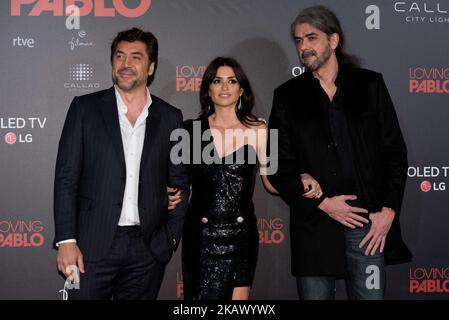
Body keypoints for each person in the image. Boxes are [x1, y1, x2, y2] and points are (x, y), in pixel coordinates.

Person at [268, 5, 412, 300]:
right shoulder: (287, 95)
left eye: (311, 38)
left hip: (368, 228)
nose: (304, 47)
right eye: (298, 40)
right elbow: (277, 165)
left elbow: (394, 151)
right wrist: (323, 203)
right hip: (315, 227)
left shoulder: (370, 85)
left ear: (333, 41)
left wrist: (388, 211)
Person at [168, 57, 322, 300]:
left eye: (232, 81)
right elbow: (177, 182)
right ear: (208, 89)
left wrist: (299, 177)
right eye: (217, 81)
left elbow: (271, 181)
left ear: (241, 89)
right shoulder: (190, 131)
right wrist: (164, 195)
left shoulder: (258, 130)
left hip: (240, 236)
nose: (225, 87)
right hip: (200, 236)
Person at [53, 28, 189, 300]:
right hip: (90, 247)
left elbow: (180, 184)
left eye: (136, 57)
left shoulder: (171, 117)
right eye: (120, 56)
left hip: (147, 249)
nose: (126, 64)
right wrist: (67, 241)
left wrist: (167, 240)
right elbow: (66, 178)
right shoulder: (84, 109)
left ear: (151, 67)